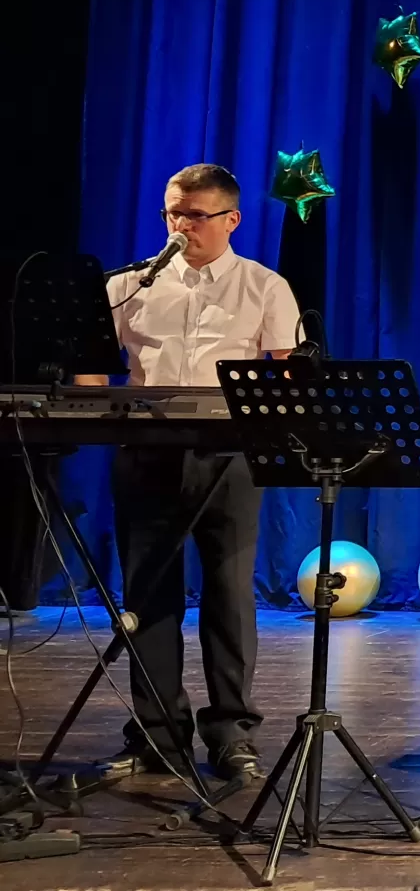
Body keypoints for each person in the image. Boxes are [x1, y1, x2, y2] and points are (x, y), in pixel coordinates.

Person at [80, 163, 299, 783]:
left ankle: (232, 734)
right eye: (173, 213)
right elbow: (91, 367)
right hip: (147, 452)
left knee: (229, 595)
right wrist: (94, 408)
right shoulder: (127, 286)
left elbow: (286, 371)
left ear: (231, 220)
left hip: (228, 457)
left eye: (195, 216)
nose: (181, 227)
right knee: (148, 598)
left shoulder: (264, 286)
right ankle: (158, 736)